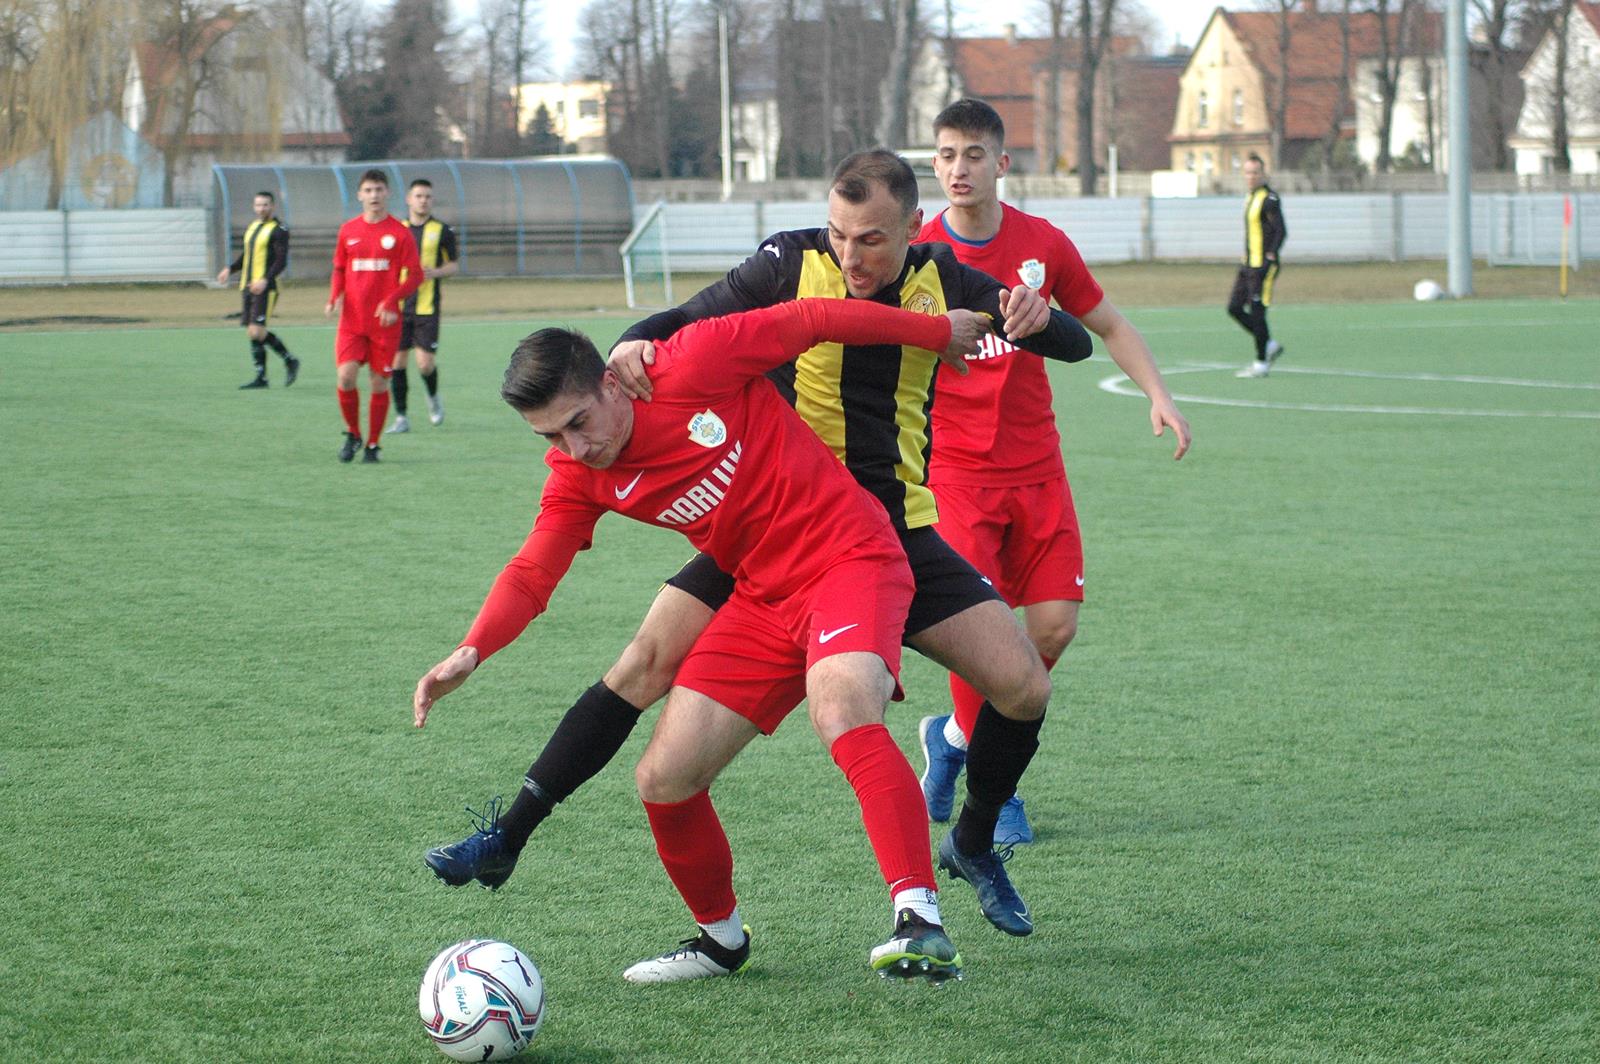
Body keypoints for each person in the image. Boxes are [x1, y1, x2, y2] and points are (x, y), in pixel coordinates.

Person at [425, 150, 1095, 941]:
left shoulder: (945, 277)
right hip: (758, 536)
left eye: (873, 240)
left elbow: (1072, 343)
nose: (852, 256)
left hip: (884, 533)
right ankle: (513, 836)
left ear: (914, 229)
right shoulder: (786, 263)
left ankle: (973, 845)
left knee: (1022, 686)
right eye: (840, 236)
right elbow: (688, 321)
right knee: (645, 668)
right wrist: (632, 341)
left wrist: (1034, 319)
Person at [416, 298, 997, 982]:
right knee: (664, 779)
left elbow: (811, 319)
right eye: (551, 438)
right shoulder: (580, 474)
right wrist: (473, 648)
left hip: (850, 557)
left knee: (841, 707)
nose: (575, 448)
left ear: (610, 381)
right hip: (761, 594)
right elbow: (535, 567)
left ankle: (919, 920)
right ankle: (721, 942)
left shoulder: (693, 361)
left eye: (577, 422)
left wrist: (935, 331)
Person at [913, 98, 1193, 846]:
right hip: (955, 477)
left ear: (1003, 164)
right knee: (982, 640)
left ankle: (953, 740)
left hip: (1039, 469)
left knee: (1052, 630)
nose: (958, 168)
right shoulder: (917, 253)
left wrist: (1159, 394)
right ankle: (992, 789)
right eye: (945, 154)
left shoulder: (1043, 245)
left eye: (973, 154)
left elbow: (1109, 325)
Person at [326, 169, 421, 463]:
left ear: (387, 193)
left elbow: (415, 276)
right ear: (359, 195)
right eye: (368, 190)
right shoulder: (348, 230)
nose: (374, 195)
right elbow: (340, 269)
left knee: (379, 384)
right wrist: (334, 297)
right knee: (345, 377)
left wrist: (392, 300)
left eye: (379, 190)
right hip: (352, 322)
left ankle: (373, 444)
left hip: (385, 325)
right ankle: (353, 433)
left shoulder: (399, 232)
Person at [387, 178, 458, 434]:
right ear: (409, 199)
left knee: (425, 364)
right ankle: (401, 417)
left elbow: (454, 265)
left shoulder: (442, 230)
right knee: (397, 363)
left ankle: (433, 398)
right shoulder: (396, 230)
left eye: (427, 196)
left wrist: (435, 272)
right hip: (399, 307)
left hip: (427, 307)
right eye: (418, 196)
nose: (423, 200)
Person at [217, 191, 299, 390]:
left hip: (266, 288)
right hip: (247, 285)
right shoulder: (253, 227)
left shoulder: (279, 230)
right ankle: (261, 378)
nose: (262, 208)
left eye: (266, 205)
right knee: (252, 332)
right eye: (258, 205)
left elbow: (281, 261)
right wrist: (231, 268)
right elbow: (247, 255)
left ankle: (289, 360)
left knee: (257, 330)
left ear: (273, 206)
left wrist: (265, 279)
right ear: (254, 207)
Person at [1229, 154, 1287, 378]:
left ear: (1263, 174)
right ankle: (1269, 344)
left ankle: (1261, 362)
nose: (1251, 177)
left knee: (1257, 311)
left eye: (1255, 172)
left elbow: (1281, 231)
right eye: (1247, 172)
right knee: (1234, 307)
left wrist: (1270, 256)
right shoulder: (1250, 197)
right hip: (1247, 265)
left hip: (1262, 266)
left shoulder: (1269, 199)